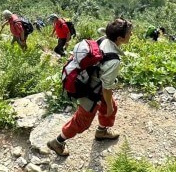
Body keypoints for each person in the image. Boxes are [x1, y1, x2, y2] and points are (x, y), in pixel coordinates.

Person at [47, 18, 133, 156]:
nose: (131, 35)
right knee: (82, 122)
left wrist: (110, 105)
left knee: (110, 106)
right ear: (119, 38)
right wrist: (109, 106)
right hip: (91, 91)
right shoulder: (113, 61)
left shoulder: (104, 39)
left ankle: (101, 131)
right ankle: (57, 142)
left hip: (91, 81)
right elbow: (107, 88)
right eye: (129, 33)